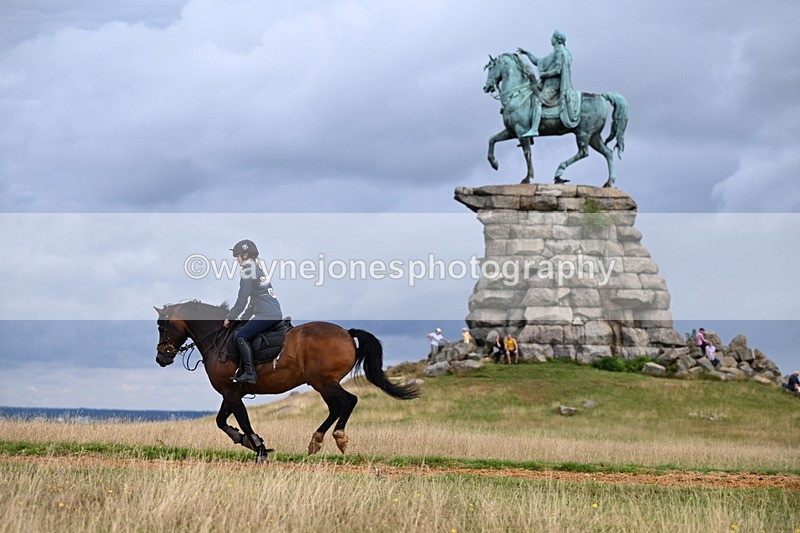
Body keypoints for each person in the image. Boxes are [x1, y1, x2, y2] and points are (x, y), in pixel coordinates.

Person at [223, 239, 283, 384]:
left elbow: (242, 299)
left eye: (237, 256)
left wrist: (230, 317)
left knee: (240, 336)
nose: (236, 259)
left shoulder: (248, 271)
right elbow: (252, 302)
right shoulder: (258, 270)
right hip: (274, 313)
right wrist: (244, 318)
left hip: (266, 315)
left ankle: (249, 373)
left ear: (245, 255)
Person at [517, 30, 581, 137]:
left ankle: (534, 129)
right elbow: (538, 61)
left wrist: (544, 74)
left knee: (538, 101)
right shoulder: (555, 53)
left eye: (552, 37)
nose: (551, 39)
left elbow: (558, 70)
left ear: (556, 39)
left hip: (554, 86)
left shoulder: (560, 52)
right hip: (548, 85)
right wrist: (527, 53)